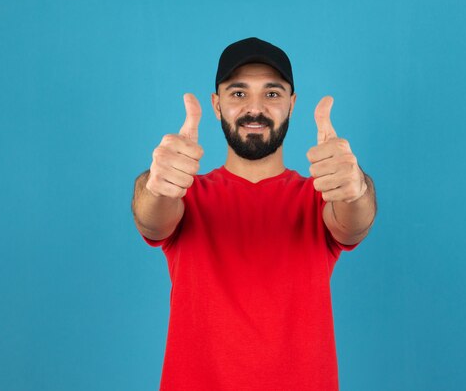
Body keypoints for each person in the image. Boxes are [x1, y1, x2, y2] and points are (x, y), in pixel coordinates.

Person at [131, 37, 377, 391]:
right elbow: (151, 219)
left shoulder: (320, 196)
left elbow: (355, 223)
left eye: (272, 94)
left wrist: (357, 189)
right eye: (238, 93)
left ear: (292, 104)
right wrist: (155, 186)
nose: (255, 108)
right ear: (216, 105)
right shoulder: (185, 195)